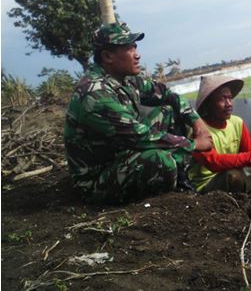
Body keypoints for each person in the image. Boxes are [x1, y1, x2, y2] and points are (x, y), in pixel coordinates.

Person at [64, 21, 212, 204]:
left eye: (135, 47)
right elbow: (140, 136)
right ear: (108, 56)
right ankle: (167, 199)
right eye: (129, 49)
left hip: (121, 157)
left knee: (166, 111)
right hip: (98, 181)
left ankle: (179, 177)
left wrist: (196, 121)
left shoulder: (125, 80)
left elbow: (167, 94)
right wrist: (194, 144)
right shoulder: (95, 94)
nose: (137, 55)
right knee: (159, 160)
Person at [189, 75, 251, 204]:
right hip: (207, 189)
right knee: (233, 174)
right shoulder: (199, 129)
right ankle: (237, 212)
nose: (229, 103)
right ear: (209, 103)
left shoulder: (237, 123)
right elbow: (214, 163)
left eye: (230, 98)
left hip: (235, 185)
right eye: (222, 99)